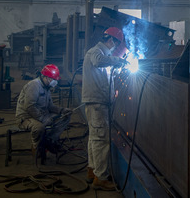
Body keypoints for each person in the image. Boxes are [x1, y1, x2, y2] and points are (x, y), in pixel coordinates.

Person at [82, 27, 127, 191]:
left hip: (97, 103)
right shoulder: (96, 52)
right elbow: (98, 61)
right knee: (101, 140)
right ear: (112, 41)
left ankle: (92, 171)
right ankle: (100, 178)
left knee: (95, 138)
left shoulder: (103, 54)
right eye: (116, 45)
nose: (115, 48)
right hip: (97, 104)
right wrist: (118, 60)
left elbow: (104, 72)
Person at [15, 64, 71, 158]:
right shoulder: (34, 86)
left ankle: (50, 140)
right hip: (26, 117)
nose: (54, 82)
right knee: (39, 127)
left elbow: (50, 106)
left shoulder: (47, 88)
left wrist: (62, 111)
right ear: (45, 77)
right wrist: (43, 118)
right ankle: (36, 147)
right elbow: (29, 107)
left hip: (41, 115)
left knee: (65, 117)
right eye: (53, 79)